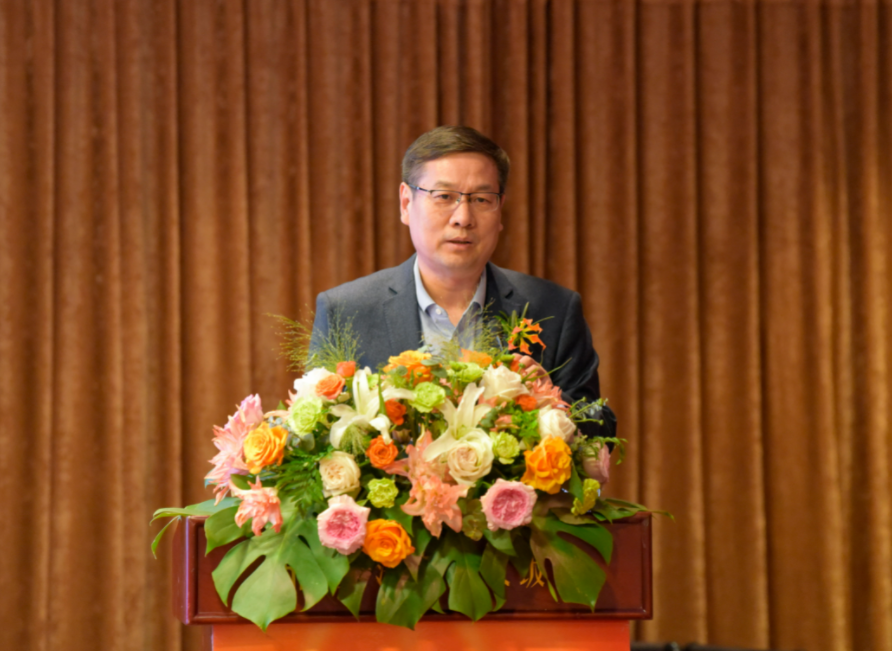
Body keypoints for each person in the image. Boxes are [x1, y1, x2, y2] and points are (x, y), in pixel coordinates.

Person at [310, 125, 614, 435]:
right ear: (406, 204)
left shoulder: (553, 308)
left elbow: (601, 426)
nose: (463, 218)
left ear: (500, 209)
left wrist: (551, 403)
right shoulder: (345, 311)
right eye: (444, 196)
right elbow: (314, 432)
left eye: (481, 199)